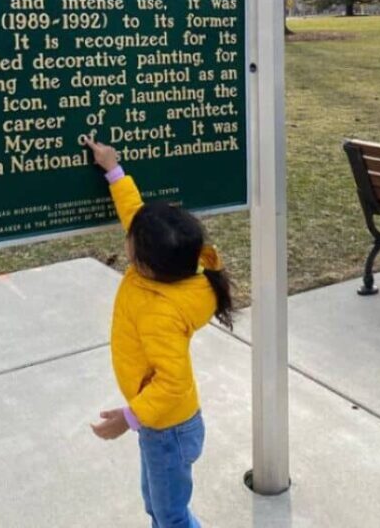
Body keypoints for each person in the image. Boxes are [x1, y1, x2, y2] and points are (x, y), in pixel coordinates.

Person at [85, 136, 233, 528]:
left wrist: (129, 418)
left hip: (168, 428)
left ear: (146, 261)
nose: (127, 237)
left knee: (170, 517)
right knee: (158, 506)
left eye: (132, 241)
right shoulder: (176, 265)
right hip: (162, 425)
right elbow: (136, 213)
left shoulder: (159, 312)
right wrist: (114, 170)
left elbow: (172, 381)